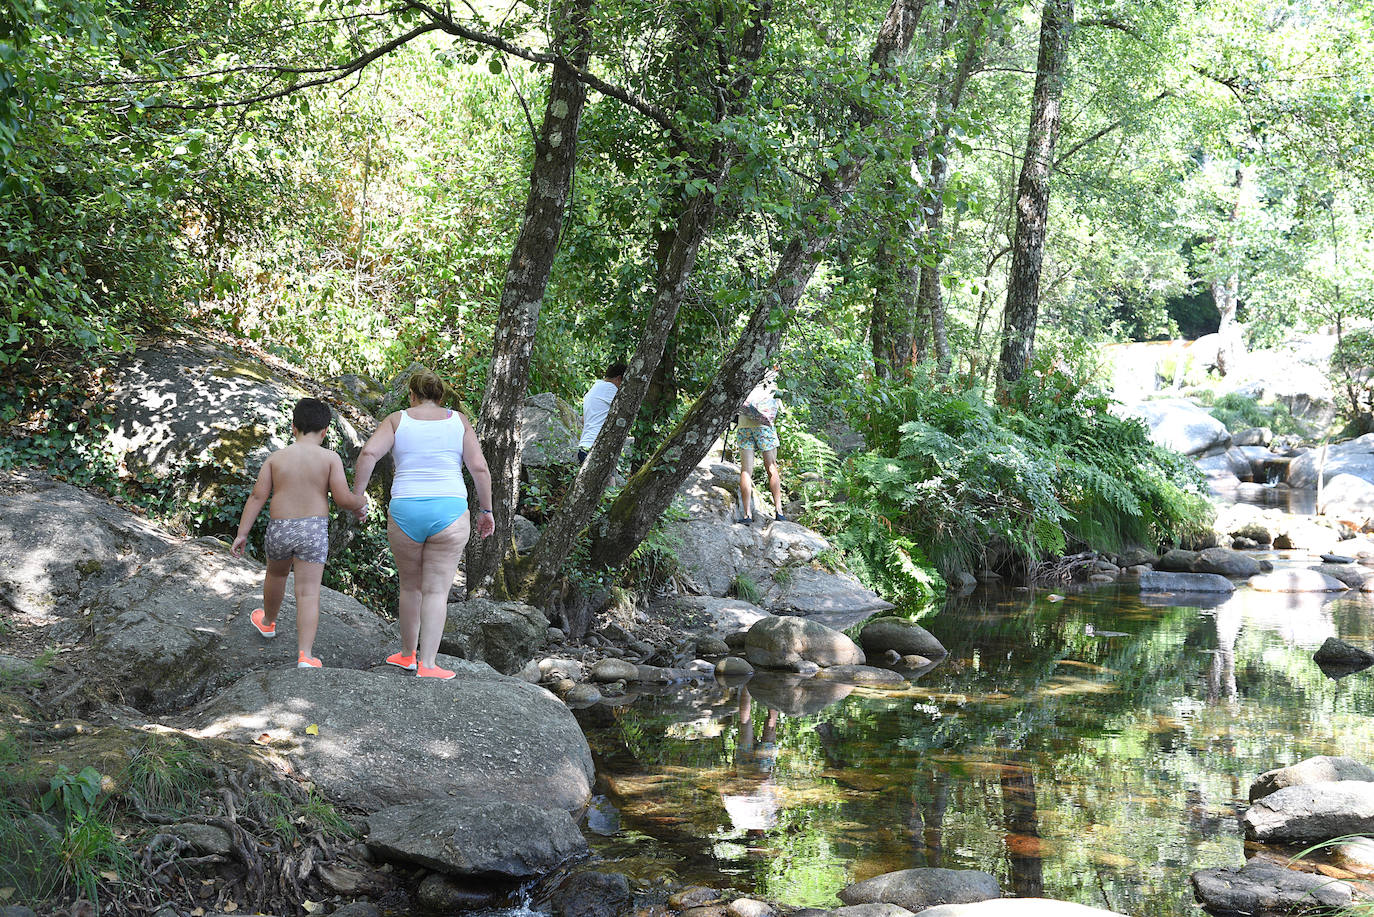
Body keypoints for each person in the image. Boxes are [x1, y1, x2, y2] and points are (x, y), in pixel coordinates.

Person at [350, 370, 495, 680]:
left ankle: (407, 655)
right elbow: (479, 468)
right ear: (441, 396)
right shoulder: (458, 421)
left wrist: (358, 497)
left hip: (406, 508)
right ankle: (428, 664)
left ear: (412, 395)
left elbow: (369, 453)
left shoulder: (397, 420)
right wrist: (486, 510)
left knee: (410, 586)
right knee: (436, 592)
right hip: (450, 511)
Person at [232, 398, 369, 669]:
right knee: (308, 592)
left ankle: (268, 622)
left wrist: (242, 533)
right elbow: (342, 498)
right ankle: (305, 654)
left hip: (280, 527)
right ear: (325, 431)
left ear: (293, 427)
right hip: (313, 530)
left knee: (276, 575)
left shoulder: (276, 458)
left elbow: (257, 496)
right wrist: (360, 502)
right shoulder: (330, 458)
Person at [736, 371, 786, 525]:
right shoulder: (772, 385)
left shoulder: (746, 378)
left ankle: (747, 515)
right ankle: (779, 511)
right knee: (771, 467)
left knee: (746, 470)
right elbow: (779, 410)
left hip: (744, 427)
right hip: (764, 428)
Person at [577, 361, 626, 464]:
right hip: (596, 448)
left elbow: (584, 420)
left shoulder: (594, 388)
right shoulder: (610, 389)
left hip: (584, 446)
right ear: (618, 379)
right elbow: (626, 411)